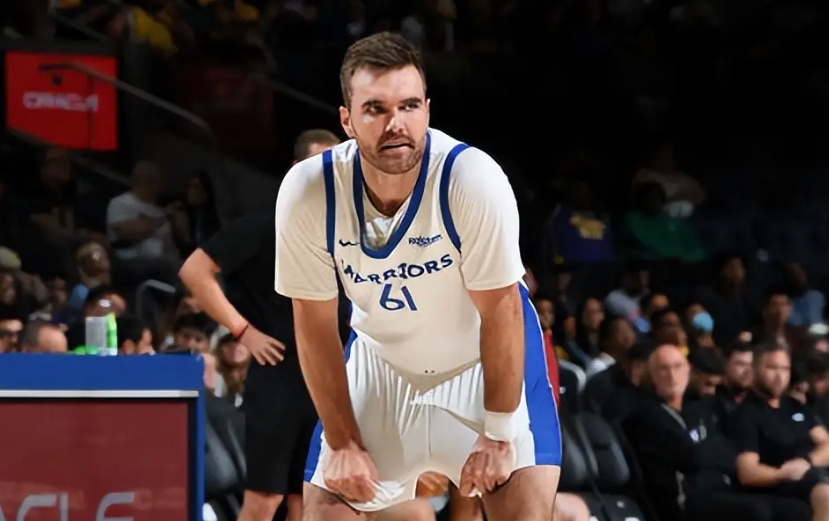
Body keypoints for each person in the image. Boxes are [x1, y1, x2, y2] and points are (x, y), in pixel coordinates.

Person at [273, 32, 560, 520]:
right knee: (324, 508)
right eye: (375, 109)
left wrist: (498, 432)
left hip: (480, 369)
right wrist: (342, 442)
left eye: (408, 106)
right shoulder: (309, 190)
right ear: (346, 120)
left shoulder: (471, 179)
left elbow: (503, 311)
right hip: (381, 369)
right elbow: (315, 325)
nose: (396, 124)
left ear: (427, 110)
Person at [179, 130, 341, 521]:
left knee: (309, 499)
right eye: (317, 166)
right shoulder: (264, 226)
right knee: (264, 500)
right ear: (295, 171)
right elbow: (194, 271)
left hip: (329, 383)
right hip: (277, 379)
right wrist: (243, 331)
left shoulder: (346, 236)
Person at [728, 344, 829, 519]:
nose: (779, 376)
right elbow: (747, 471)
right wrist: (783, 473)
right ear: (756, 369)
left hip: (813, 471)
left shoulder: (794, 405)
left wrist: (807, 461)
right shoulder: (747, 413)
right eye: (772, 368)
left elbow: (826, 444)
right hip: (785, 483)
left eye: (785, 369)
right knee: (826, 495)